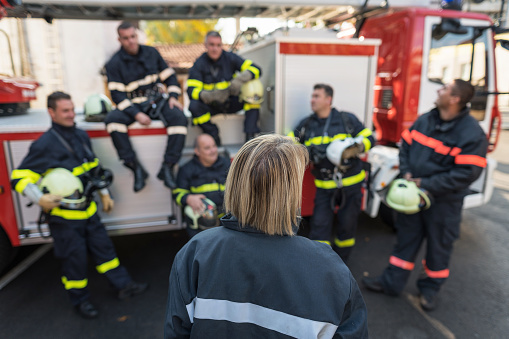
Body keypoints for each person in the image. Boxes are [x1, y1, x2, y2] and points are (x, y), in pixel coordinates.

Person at [164, 134, 368, 338]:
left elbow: (176, 332)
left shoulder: (195, 254)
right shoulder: (330, 269)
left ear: (235, 184)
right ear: (291, 193)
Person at [10, 92, 148, 319]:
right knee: (74, 262)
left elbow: (93, 168)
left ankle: (123, 285)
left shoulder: (81, 136)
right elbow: (19, 176)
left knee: (106, 251)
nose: (71, 115)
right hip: (64, 219)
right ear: (51, 112)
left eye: (72, 109)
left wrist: (104, 194)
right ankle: (80, 301)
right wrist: (39, 199)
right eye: (65, 111)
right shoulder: (44, 144)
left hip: (89, 210)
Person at [362, 79, 488, 311]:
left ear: (455, 99)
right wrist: (407, 172)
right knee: (405, 242)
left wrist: (426, 183)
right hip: (414, 198)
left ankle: (429, 291)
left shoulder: (472, 134)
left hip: (444, 204)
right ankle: (391, 283)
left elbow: (465, 174)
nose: (438, 90)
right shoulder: (426, 119)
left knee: (438, 249)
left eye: (444, 89)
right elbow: (406, 146)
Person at [289, 84, 375, 262]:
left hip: (351, 185)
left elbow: (370, 137)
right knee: (319, 228)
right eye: (312, 96)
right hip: (324, 188)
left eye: (316, 96)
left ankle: (342, 265)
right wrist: (306, 152)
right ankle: (320, 265)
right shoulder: (307, 125)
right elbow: (288, 145)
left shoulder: (347, 120)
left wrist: (356, 148)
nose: (312, 100)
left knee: (347, 227)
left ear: (328, 100)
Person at [104, 21, 187, 192]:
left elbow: (170, 77)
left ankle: (167, 167)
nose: (131, 41)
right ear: (119, 40)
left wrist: (172, 96)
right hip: (133, 105)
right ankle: (136, 168)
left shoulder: (151, 52)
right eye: (126, 38)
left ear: (137, 35)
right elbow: (117, 96)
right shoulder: (113, 63)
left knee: (179, 119)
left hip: (157, 101)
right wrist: (136, 115)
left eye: (133, 36)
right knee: (112, 121)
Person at [187, 31, 262, 146]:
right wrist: (208, 96)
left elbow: (256, 69)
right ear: (205, 45)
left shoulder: (230, 58)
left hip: (230, 102)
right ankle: (213, 135)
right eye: (212, 45)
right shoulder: (199, 64)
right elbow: (191, 91)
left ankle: (250, 137)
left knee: (253, 97)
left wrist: (240, 79)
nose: (215, 49)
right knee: (194, 106)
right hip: (212, 105)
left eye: (218, 45)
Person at [173, 134, 230, 238]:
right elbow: (177, 194)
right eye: (207, 148)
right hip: (201, 227)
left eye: (214, 146)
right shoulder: (186, 170)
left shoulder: (227, 165)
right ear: (197, 151)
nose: (213, 150)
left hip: (226, 222)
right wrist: (188, 198)